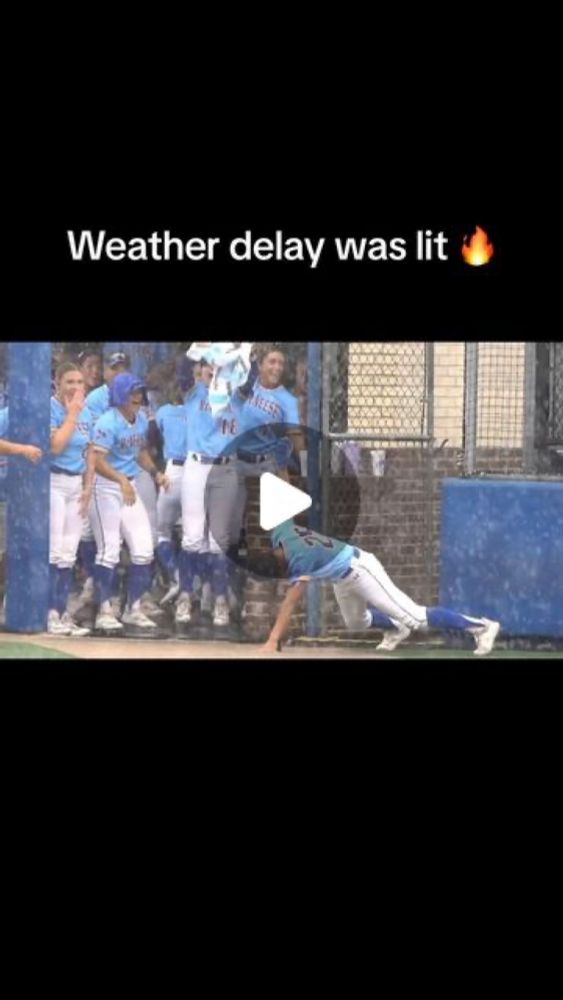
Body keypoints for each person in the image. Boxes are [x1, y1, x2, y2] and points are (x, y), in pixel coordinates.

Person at [259, 519, 501, 657]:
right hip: (341, 577)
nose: (284, 572)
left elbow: (290, 603)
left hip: (360, 569)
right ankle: (396, 629)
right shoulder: (281, 532)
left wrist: (272, 641)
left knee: (416, 617)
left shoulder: (300, 560)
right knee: (356, 622)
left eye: (281, 568)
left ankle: (481, 627)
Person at [89, 372, 169, 631]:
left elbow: (140, 453)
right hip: (105, 488)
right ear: (120, 395)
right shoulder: (106, 422)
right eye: (132, 392)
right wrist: (121, 480)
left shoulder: (142, 419)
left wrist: (156, 473)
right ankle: (103, 610)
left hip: (128, 486)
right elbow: (96, 461)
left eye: (139, 392)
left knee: (144, 549)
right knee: (108, 550)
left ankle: (132, 609)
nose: (137, 397)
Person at [175, 358, 240, 628]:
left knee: (218, 540)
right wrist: (200, 355)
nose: (212, 371)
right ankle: (185, 596)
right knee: (192, 537)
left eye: (218, 368)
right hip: (196, 466)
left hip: (225, 468)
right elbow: (181, 372)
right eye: (207, 367)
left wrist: (237, 356)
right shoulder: (194, 392)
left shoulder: (238, 395)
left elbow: (252, 373)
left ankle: (220, 599)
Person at [48, 361, 96, 636]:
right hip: (53, 480)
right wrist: (72, 414)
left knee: (68, 553)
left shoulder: (86, 411)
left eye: (80, 382)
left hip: (75, 484)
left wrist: (88, 486)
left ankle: (62, 612)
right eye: (70, 382)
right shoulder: (52, 408)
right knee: (53, 551)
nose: (76, 387)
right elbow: (55, 447)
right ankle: (48, 613)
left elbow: (89, 451)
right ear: (57, 383)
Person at [153, 381, 187, 606]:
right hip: (199, 471)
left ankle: (177, 579)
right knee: (194, 537)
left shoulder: (163, 411)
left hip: (173, 472)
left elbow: (153, 443)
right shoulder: (203, 411)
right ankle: (199, 594)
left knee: (161, 533)